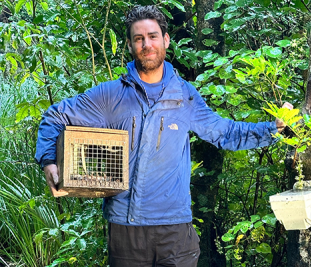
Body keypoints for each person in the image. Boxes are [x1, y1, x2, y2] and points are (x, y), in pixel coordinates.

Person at [35, 5, 293, 266]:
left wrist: (274, 128)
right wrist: (49, 161)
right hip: (126, 229)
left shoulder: (186, 95)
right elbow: (54, 116)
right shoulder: (110, 95)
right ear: (129, 45)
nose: (147, 44)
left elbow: (225, 133)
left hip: (175, 230)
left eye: (153, 36)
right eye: (139, 38)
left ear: (166, 40)